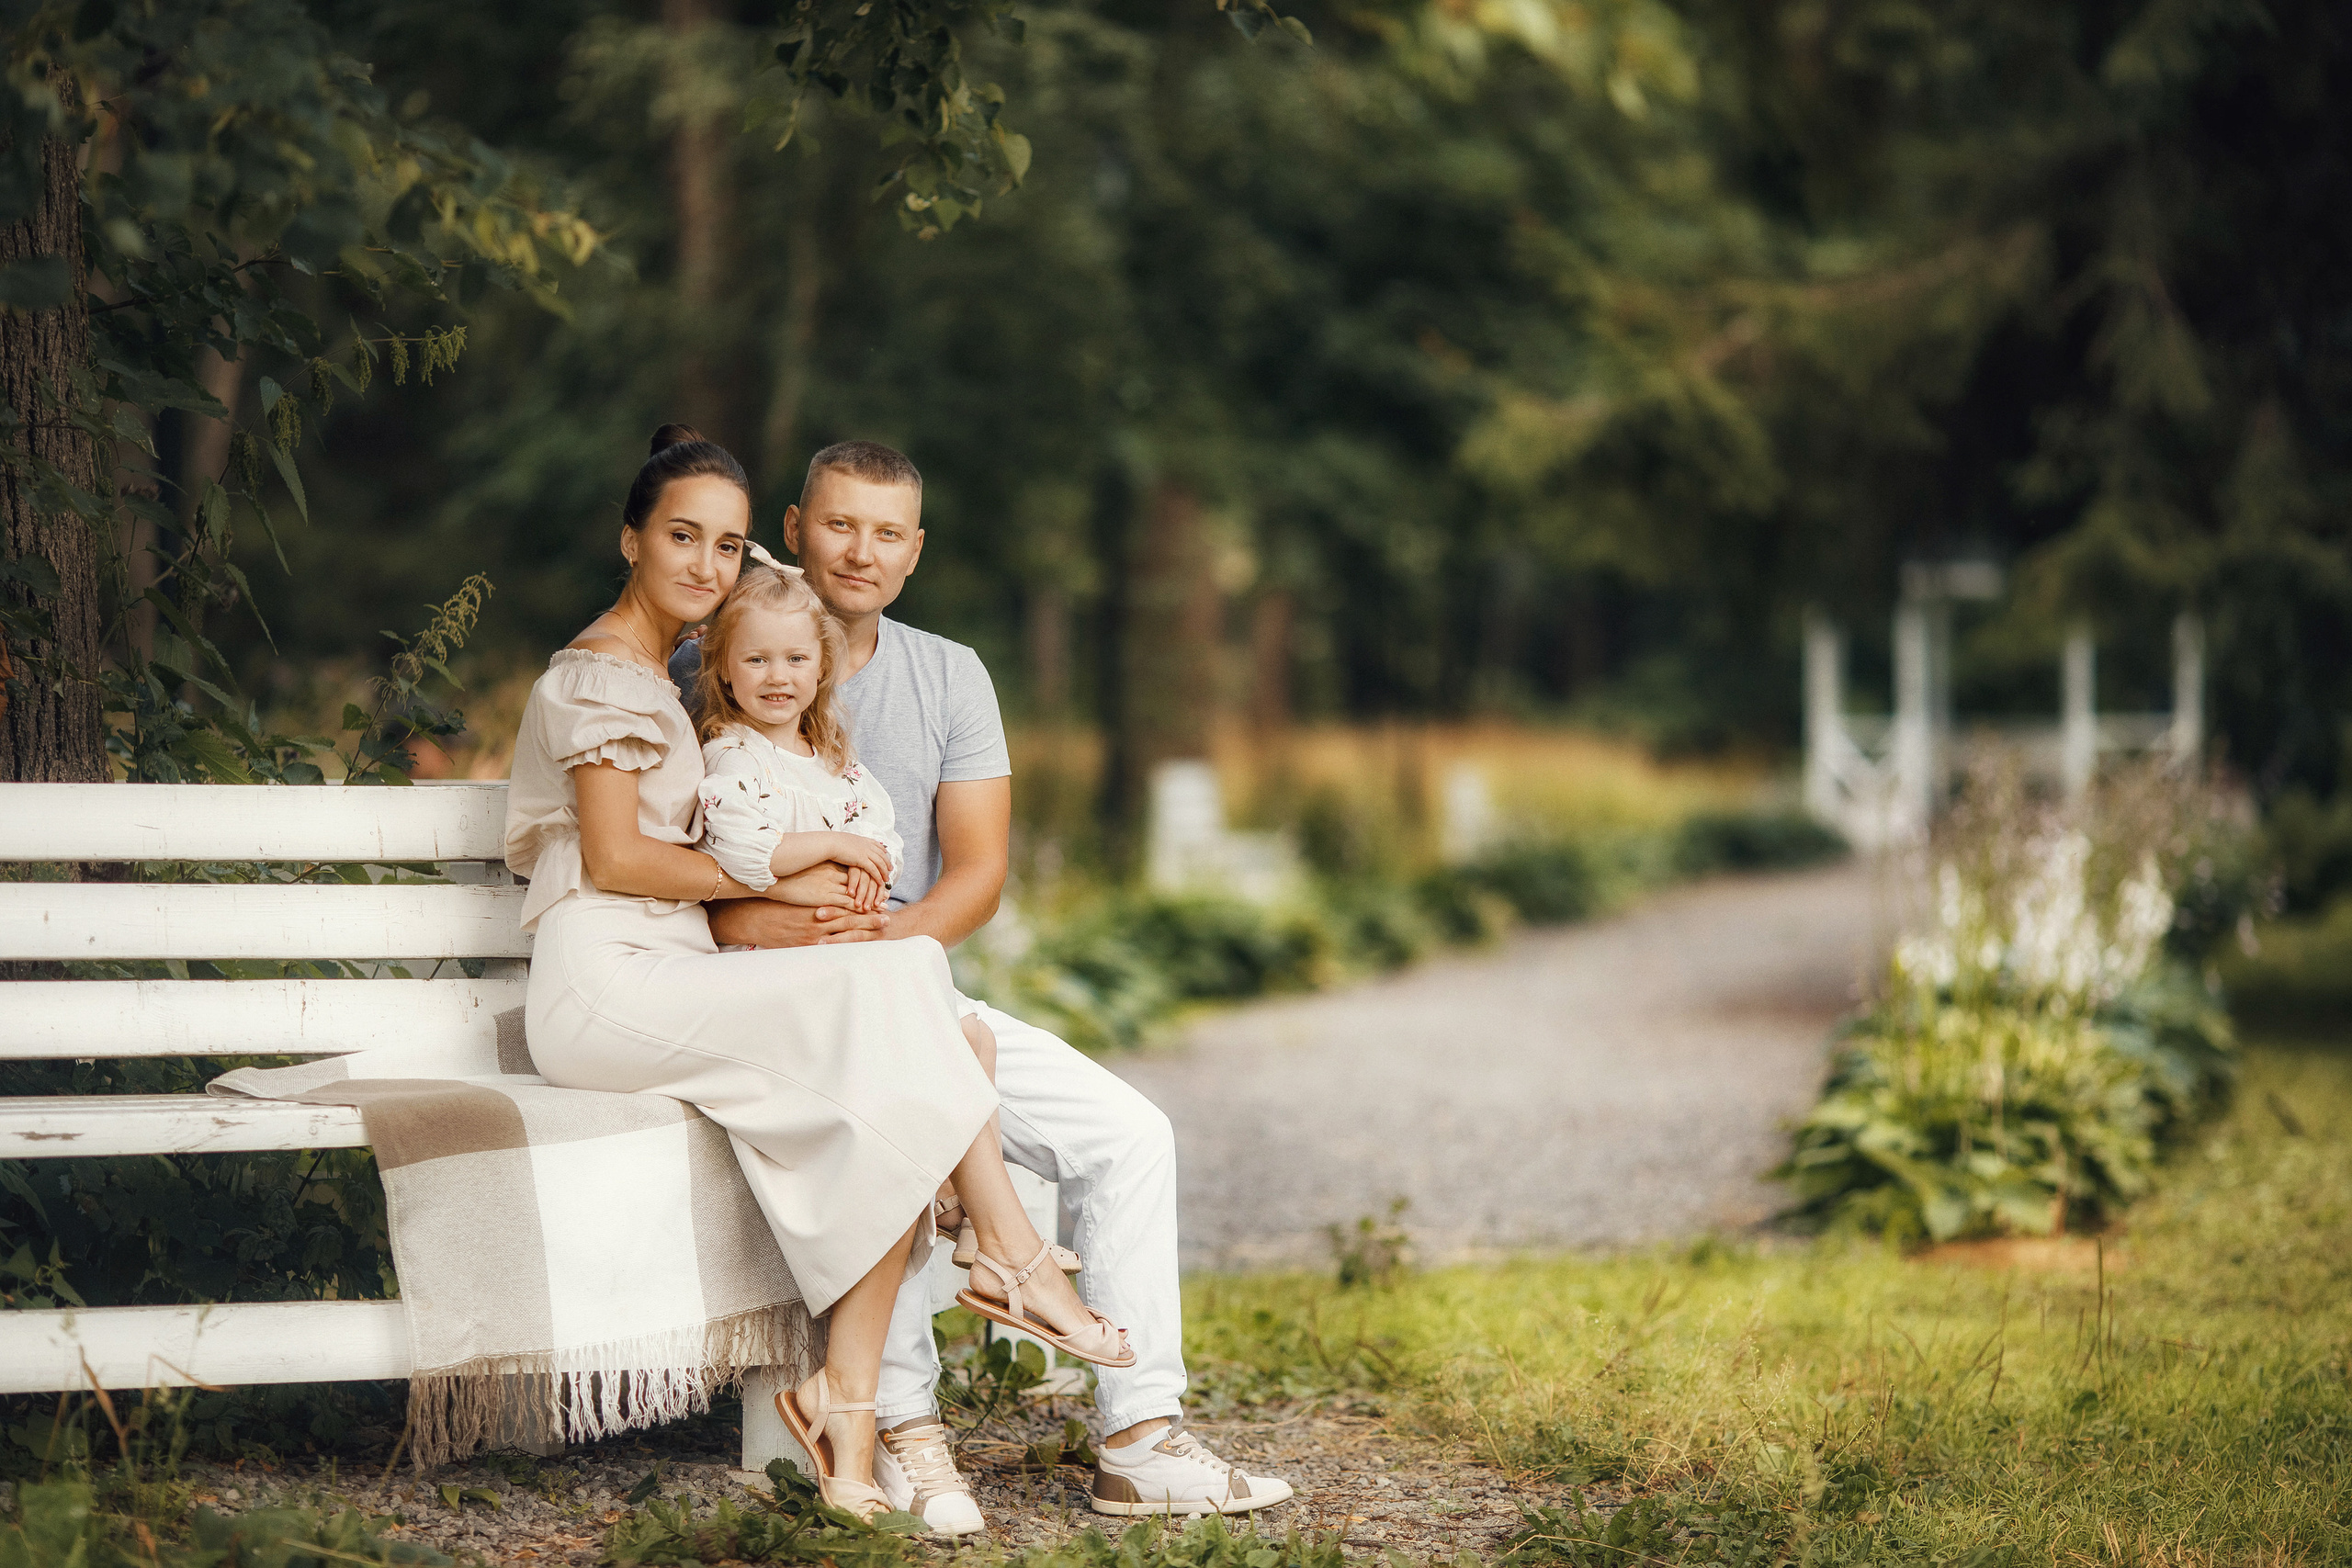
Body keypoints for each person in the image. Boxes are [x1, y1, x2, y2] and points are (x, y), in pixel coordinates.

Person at [506, 425, 1133, 1530]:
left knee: (895, 1053)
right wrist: (794, 876)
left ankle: (843, 1408)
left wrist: (804, 879)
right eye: (681, 537)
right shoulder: (599, 674)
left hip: (676, 970)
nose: (706, 565)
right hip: (605, 984)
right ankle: (1011, 1255)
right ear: (630, 539)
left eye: (726, 545)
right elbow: (617, 860)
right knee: (904, 998)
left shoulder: (671, 671)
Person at [677, 440, 1297, 1525]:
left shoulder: (949, 674)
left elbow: (977, 875)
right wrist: (832, 954)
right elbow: (689, 877)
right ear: (794, 529)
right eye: (838, 525)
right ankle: (903, 1428)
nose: (859, 552)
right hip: (778, 1002)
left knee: (1128, 1134)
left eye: (886, 533)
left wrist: (890, 958)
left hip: (910, 982)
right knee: (894, 1122)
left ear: (914, 551)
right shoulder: (721, 663)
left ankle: (1140, 1439)